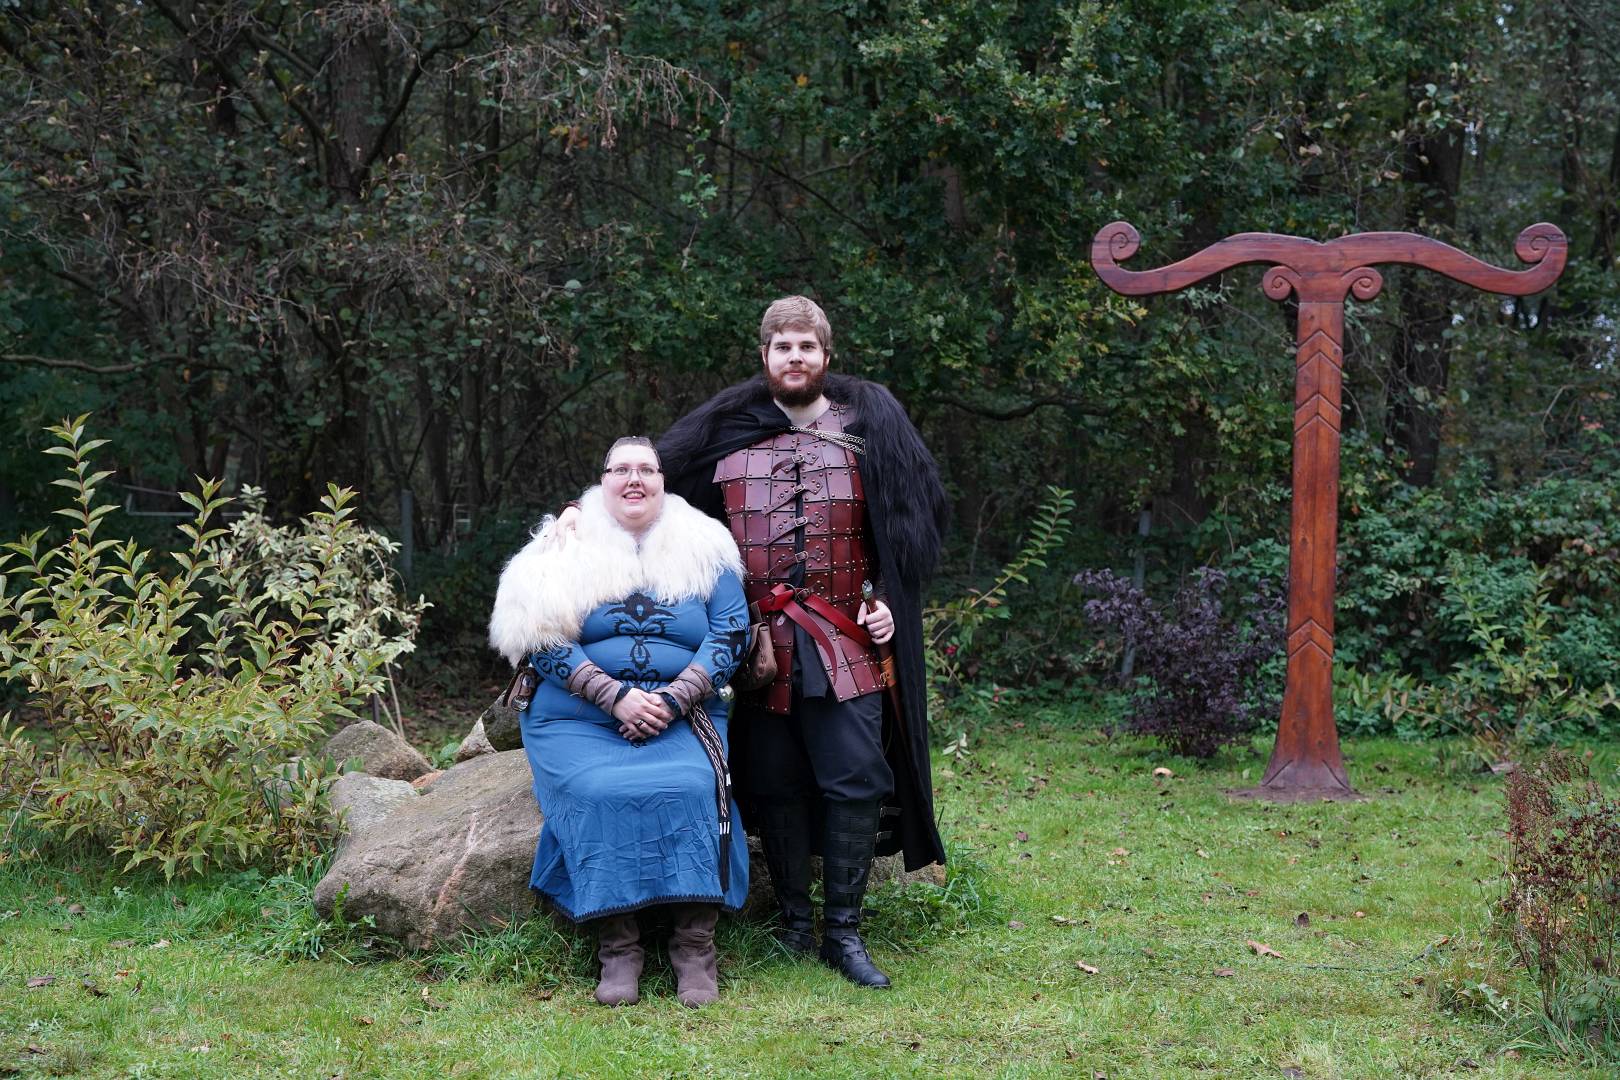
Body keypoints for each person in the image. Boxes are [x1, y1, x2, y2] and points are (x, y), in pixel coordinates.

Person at [561, 296, 948, 988]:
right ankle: (794, 924)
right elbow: (644, 488)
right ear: (764, 356)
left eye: (806, 346)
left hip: (844, 641)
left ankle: (844, 933)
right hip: (756, 645)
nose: (795, 358)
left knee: (855, 778)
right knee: (773, 780)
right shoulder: (725, 429)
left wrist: (888, 598)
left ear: (826, 354)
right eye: (782, 347)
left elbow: (912, 521)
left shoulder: (870, 426)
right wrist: (579, 513)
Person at [488, 436, 750, 1008]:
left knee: (693, 785)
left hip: (684, 711)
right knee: (599, 789)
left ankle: (693, 948)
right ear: (603, 480)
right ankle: (619, 948)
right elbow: (538, 636)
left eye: (646, 469)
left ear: (663, 480)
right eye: (621, 469)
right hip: (577, 717)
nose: (634, 480)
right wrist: (615, 697)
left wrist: (674, 698)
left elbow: (731, 632)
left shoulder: (707, 548)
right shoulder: (562, 547)